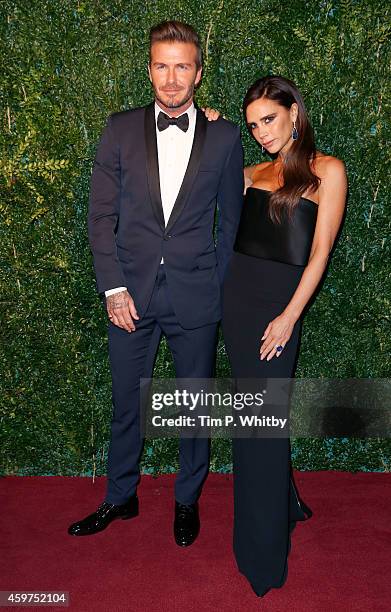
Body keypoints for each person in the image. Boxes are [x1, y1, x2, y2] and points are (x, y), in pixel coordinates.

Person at [67, 20, 243, 545]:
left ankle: (187, 500)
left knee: (194, 406)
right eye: (162, 66)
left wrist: (218, 285)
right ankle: (120, 497)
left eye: (182, 66)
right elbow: (100, 217)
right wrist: (112, 287)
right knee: (127, 402)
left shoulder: (227, 136)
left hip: (196, 295)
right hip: (130, 296)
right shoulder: (119, 129)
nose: (171, 79)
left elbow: (231, 223)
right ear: (149, 70)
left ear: (198, 73)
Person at [207, 75, 347, 596]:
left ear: (294, 112)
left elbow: (320, 254)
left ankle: (261, 556)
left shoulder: (327, 170)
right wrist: (213, 127)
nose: (262, 132)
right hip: (238, 304)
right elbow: (205, 170)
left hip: (279, 311)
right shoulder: (250, 172)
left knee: (261, 424)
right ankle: (281, 506)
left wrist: (290, 316)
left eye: (269, 119)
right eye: (253, 125)